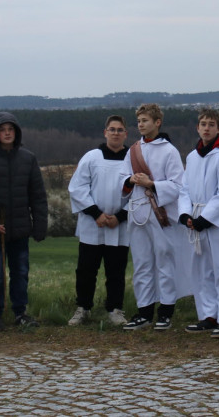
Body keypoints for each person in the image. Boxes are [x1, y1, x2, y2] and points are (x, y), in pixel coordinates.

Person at [0, 112, 48, 331]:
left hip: (20, 229)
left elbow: (38, 196)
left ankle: (20, 312)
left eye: (10, 129)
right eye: (3, 130)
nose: (7, 133)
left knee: (20, 273)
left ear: (16, 132)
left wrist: (40, 226)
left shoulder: (28, 158)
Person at [119, 104, 189, 331]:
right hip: (137, 212)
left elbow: (178, 185)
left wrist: (151, 184)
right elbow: (122, 178)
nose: (141, 124)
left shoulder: (169, 151)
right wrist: (130, 180)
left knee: (165, 261)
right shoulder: (133, 150)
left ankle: (166, 312)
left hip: (160, 214)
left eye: (145, 120)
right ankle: (144, 312)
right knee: (142, 263)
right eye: (139, 120)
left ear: (157, 122)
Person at [178, 108, 219, 338]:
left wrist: (207, 218)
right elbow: (184, 189)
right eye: (203, 124)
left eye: (211, 124)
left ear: (218, 128)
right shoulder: (192, 157)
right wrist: (185, 214)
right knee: (201, 269)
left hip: (218, 219)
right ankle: (209, 314)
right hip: (196, 216)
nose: (207, 128)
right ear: (197, 128)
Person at [66, 115, 130, 327]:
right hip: (92, 224)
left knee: (116, 271)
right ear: (105, 132)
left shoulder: (132, 159)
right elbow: (77, 188)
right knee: (86, 271)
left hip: (119, 226)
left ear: (125, 134)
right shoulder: (92, 157)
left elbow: (139, 193)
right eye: (112, 129)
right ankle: (83, 308)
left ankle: (115, 309)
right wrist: (96, 214)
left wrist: (120, 216)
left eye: (120, 130)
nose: (115, 133)